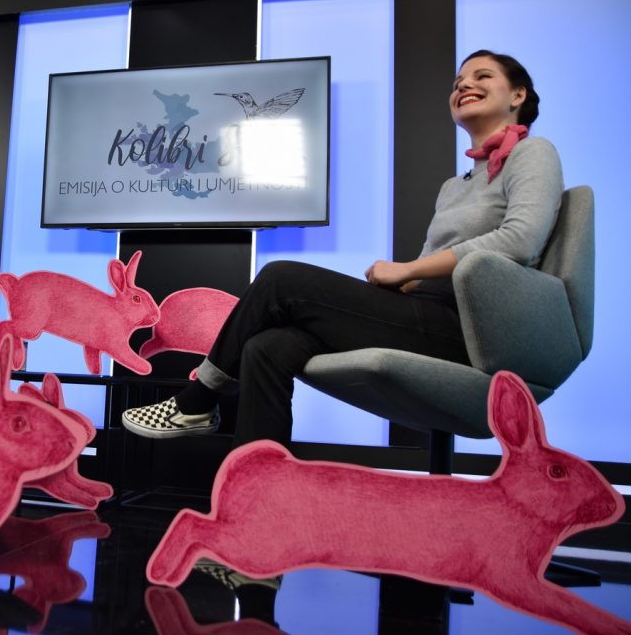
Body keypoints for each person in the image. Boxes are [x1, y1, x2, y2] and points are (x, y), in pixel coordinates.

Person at [122, 50, 563, 446]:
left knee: (280, 279)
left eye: (482, 76)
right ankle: (256, 488)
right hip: (426, 313)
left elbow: (520, 242)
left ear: (518, 95)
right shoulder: (455, 185)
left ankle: (198, 399)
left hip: (472, 331)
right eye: (458, 82)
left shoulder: (533, 153)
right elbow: (439, 268)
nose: (464, 85)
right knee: (270, 345)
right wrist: (405, 283)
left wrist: (408, 269)